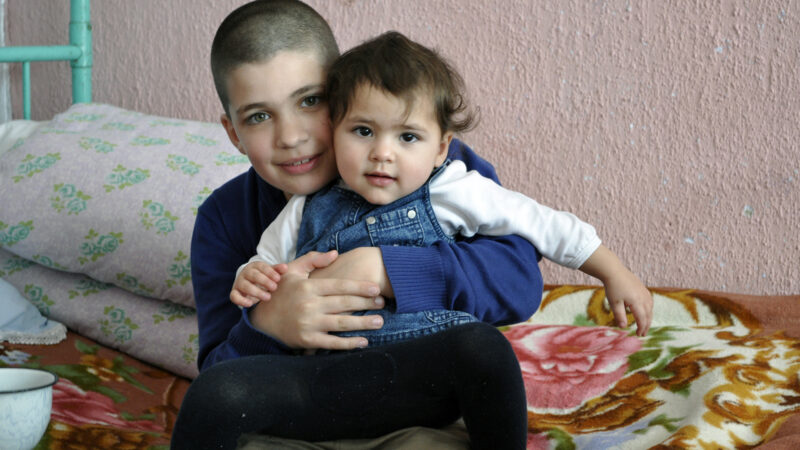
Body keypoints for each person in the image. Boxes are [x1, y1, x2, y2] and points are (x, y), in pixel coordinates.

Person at [171, 1, 548, 448]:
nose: (291, 136)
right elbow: (220, 374)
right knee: (212, 398)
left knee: (483, 352)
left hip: (417, 386)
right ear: (233, 133)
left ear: (344, 91)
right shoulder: (223, 217)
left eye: (311, 101)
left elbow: (521, 284)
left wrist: (387, 271)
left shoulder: (430, 166)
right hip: (298, 401)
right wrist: (267, 324)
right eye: (258, 116)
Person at [231, 31, 654, 345]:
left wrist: (613, 272)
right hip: (335, 366)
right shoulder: (308, 207)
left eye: (407, 138)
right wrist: (253, 281)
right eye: (363, 131)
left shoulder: (455, 189)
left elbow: (541, 223)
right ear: (334, 129)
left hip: (430, 354)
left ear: (442, 148)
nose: (382, 153)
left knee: (482, 349)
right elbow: (265, 264)